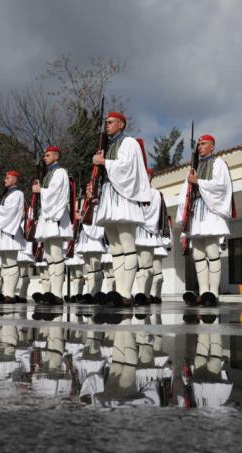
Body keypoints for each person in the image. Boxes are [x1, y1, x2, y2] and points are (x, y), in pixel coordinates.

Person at [92, 111, 150, 306]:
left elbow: (128, 167)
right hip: (110, 195)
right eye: (106, 122)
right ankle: (119, 291)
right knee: (115, 247)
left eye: (110, 122)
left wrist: (104, 162)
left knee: (127, 245)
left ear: (121, 124)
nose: (107, 125)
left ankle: (126, 293)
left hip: (124, 196)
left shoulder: (129, 142)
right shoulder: (108, 146)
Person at [176, 134, 234, 306]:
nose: (200, 147)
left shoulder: (219, 163)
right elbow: (185, 191)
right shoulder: (194, 167)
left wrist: (198, 182)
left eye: (203, 144)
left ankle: (213, 293)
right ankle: (203, 292)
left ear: (212, 147)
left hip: (210, 211)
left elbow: (221, 186)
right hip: (196, 213)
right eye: (199, 144)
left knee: (212, 251)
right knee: (198, 254)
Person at [34, 146, 73, 305]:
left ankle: (57, 294)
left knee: (56, 255)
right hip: (48, 216)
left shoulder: (60, 172)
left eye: (47, 155)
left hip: (55, 216)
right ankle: (51, 292)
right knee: (49, 256)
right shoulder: (49, 173)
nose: (44, 157)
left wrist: (40, 191)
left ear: (56, 156)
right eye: (44, 155)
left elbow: (57, 193)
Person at [0, 171, 26, 304]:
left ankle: (10, 294)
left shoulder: (17, 194)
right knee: (5, 264)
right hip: (2, 231)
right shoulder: (5, 194)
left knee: (11, 263)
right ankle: (6, 293)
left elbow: (10, 211)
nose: (4, 180)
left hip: (10, 230)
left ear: (15, 179)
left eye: (8, 178)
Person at [133, 168, 164, 305]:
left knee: (146, 264)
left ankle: (144, 294)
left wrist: (142, 222)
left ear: (151, 176)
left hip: (147, 232)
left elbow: (154, 213)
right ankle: (141, 293)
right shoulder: (135, 192)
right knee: (139, 265)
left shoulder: (155, 194)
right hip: (136, 231)